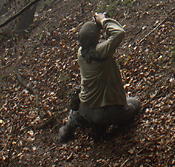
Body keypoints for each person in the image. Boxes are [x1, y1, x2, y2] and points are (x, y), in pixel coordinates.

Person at [58, 12, 140, 143]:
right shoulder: (101, 52)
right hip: (103, 111)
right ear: (95, 38)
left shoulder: (81, 53)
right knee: (135, 104)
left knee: (78, 112)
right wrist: (104, 21)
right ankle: (102, 129)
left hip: (84, 108)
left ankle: (67, 130)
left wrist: (96, 26)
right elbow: (119, 33)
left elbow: (97, 42)